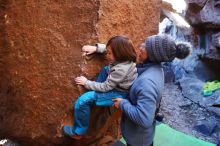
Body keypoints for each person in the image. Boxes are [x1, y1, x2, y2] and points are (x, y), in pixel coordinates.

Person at [82, 34, 191, 146]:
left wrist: (123, 103)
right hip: (137, 134)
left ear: (153, 55)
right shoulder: (152, 67)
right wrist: (97, 48)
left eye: (145, 47)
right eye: (144, 42)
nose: (140, 47)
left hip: (138, 140)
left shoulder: (146, 82)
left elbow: (144, 119)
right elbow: (121, 53)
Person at [62, 36, 138, 140]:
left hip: (118, 93)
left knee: (82, 101)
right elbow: (113, 47)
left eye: (110, 53)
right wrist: (96, 48)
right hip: (115, 85)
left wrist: (87, 83)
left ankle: (78, 132)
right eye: (107, 52)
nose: (107, 55)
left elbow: (106, 86)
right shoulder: (124, 58)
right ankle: (96, 92)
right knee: (106, 69)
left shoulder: (121, 70)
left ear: (120, 54)